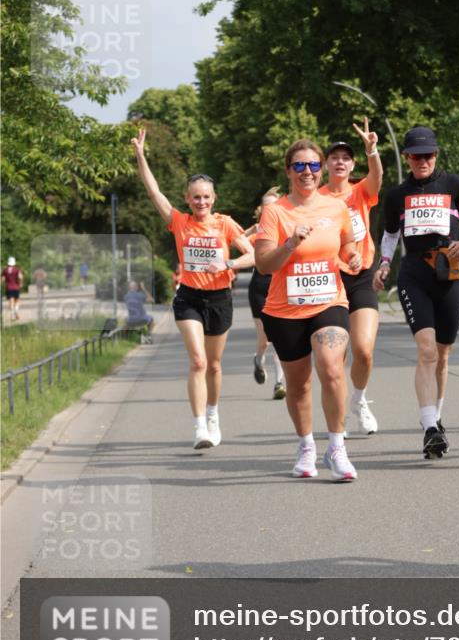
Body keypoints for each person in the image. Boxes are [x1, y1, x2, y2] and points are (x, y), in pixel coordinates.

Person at [131, 127, 254, 450]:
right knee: (198, 361)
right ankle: (199, 426)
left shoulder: (225, 224)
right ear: (187, 199)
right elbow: (154, 192)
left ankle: (213, 413)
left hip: (219, 298)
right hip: (188, 298)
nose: (201, 202)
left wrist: (227, 264)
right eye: (195, 197)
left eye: (206, 197)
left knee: (214, 365)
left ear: (214, 199)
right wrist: (141, 156)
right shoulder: (180, 222)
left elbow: (253, 255)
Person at [373, 127, 459, 459]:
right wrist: (384, 264)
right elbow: (390, 235)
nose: (422, 161)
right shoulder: (397, 195)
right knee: (426, 350)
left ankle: (436, 419)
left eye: (427, 155)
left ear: (436, 155)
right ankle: (429, 428)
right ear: (407, 157)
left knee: (443, 353)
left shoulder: (454, 184)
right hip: (414, 275)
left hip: (450, 274)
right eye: (415, 156)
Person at [255, 139, 362, 481]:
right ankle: (306, 446)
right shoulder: (275, 212)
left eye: (313, 165)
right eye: (299, 166)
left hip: (329, 301)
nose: (307, 172)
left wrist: (351, 256)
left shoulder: (336, 207)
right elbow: (263, 264)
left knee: (331, 367)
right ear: (288, 171)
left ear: (321, 169)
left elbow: (347, 242)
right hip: (285, 309)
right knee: (299, 385)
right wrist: (290, 243)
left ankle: (337, 448)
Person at [320, 118, 382, 433]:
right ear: (326, 164)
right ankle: (339, 415)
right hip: (330, 280)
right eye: (335, 158)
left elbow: (377, 178)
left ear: (352, 164)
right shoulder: (317, 199)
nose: (340, 162)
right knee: (336, 356)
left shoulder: (360, 193)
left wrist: (372, 151)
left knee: (364, 351)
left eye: (346, 158)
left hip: (361, 276)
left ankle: (359, 399)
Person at [245, 187, 286, 399]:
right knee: (265, 340)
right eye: (266, 206)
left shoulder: (286, 229)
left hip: (281, 287)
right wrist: (252, 230)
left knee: (279, 339)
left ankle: (279, 383)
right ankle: (258, 360)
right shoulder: (258, 235)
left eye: (275, 205)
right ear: (261, 209)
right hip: (260, 288)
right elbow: (235, 240)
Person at [2, 256, 23, 321]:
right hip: (16, 287)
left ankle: (12, 314)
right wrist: (21, 283)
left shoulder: (5, 270)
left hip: (8, 287)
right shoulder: (17, 269)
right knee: (17, 300)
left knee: (11, 300)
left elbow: (2, 279)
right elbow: (20, 277)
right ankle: (16, 311)